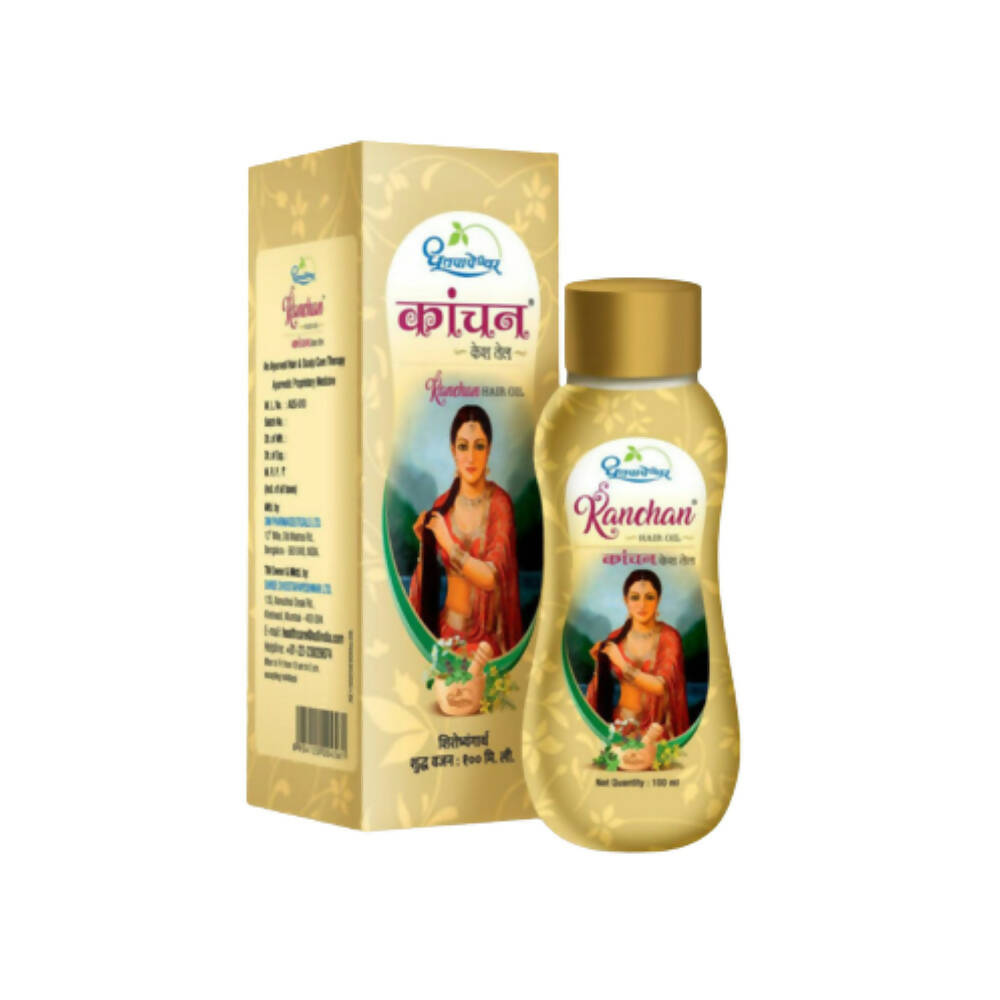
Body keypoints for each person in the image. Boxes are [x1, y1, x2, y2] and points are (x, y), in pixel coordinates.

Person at [409, 405, 522, 712]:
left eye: (479, 446)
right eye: (463, 446)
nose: (471, 457)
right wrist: (424, 548)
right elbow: (425, 584)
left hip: (487, 644)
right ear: (452, 450)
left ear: (489, 450)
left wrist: (447, 541)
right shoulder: (442, 506)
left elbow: (491, 578)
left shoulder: (500, 504)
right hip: (447, 637)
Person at [586, 569, 690, 740]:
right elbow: (599, 692)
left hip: (655, 733)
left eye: (649, 597)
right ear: (626, 601)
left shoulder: (669, 636)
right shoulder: (616, 637)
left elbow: (661, 687)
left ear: (658, 600)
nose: (642, 605)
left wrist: (622, 664)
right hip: (619, 727)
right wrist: (599, 665)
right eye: (635, 597)